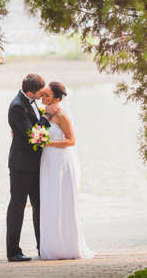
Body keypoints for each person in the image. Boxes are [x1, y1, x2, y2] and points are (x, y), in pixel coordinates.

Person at [6, 74, 59, 262]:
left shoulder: (31, 101)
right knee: (17, 208)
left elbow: (33, 127)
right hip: (21, 166)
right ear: (30, 92)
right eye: (39, 92)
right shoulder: (17, 106)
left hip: (36, 165)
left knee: (39, 206)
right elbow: (33, 135)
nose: (42, 95)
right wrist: (47, 116)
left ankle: (42, 247)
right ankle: (13, 251)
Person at [39, 81, 94, 260]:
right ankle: (52, 247)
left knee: (62, 201)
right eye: (43, 94)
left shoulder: (62, 115)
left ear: (56, 97)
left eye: (47, 95)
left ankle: (68, 246)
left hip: (61, 161)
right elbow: (38, 131)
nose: (43, 97)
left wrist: (49, 143)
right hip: (48, 161)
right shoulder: (45, 113)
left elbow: (71, 141)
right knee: (49, 201)